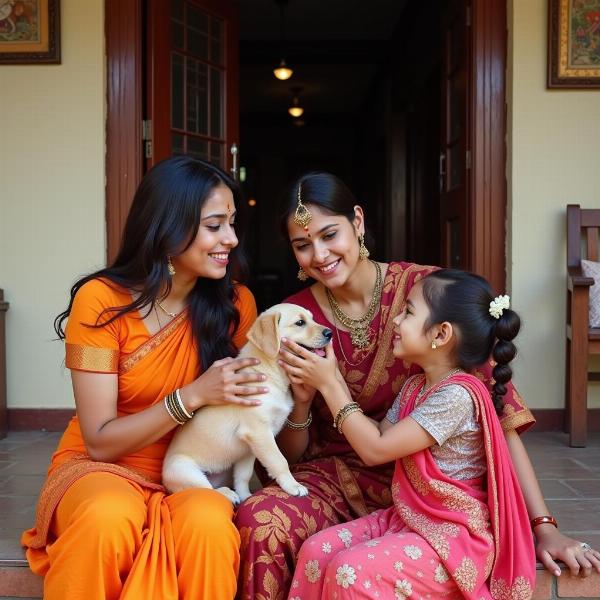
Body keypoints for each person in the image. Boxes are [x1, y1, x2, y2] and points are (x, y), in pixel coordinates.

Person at [235, 172, 600, 599]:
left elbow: (498, 423)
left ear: (358, 221)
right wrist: (300, 403)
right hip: (333, 477)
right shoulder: (295, 319)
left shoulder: (428, 293)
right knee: (261, 521)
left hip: (432, 490)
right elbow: (289, 452)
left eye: (329, 234)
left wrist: (543, 527)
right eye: (302, 245)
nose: (319, 254)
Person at [21, 156, 267, 600]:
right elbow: (99, 440)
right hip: (102, 467)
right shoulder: (102, 301)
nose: (230, 239)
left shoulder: (235, 305)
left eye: (232, 223)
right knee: (107, 518)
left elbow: (255, 415)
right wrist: (191, 397)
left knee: (210, 526)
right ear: (169, 228)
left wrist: (301, 397)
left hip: (195, 468)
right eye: (214, 226)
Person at [285, 268, 535, 598]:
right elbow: (378, 436)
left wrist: (330, 384)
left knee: (349, 571)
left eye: (409, 312)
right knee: (316, 551)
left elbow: (375, 450)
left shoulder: (457, 396)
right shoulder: (417, 387)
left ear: (441, 334)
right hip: (408, 519)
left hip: (451, 537)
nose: (396, 321)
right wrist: (312, 394)